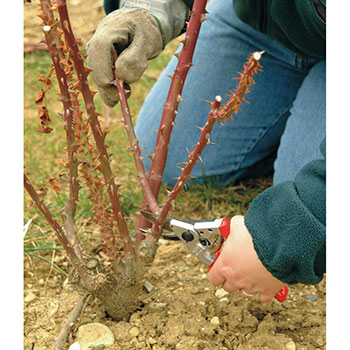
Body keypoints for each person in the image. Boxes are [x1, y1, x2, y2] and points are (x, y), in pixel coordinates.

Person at [87, 0, 326, 302]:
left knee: (307, 207)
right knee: (173, 155)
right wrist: (150, 7)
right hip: (262, 23)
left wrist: (280, 234)